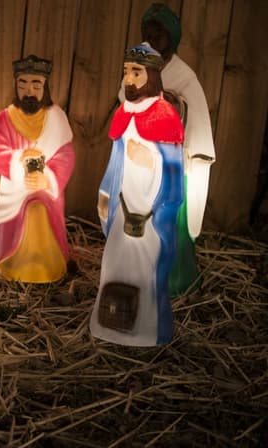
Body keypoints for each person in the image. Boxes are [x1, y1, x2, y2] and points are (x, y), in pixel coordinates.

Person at [118, 3, 216, 295]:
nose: (153, 38)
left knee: (169, 223)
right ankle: (135, 273)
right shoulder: (137, 66)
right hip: (140, 160)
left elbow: (196, 118)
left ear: (172, 38)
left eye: (159, 34)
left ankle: (171, 280)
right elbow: (125, 99)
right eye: (148, 32)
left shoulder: (185, 78)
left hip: (173, 162)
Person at [91, 44, 184, 346]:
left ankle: (145, 332)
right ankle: (108, 325)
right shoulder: (124, 114)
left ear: (152, 76)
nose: (129, 79)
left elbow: (173, 173)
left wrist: (151, 159)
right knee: (115, 265)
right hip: (122, 210)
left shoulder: (166, 117)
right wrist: (105, 196)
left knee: (145, 273)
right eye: (126, 72)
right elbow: (114, 164)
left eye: (136, 72)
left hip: (150, 215)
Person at [0, 55, 75, 283]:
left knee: (38, 209)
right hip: (15, 189)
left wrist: (48, 179)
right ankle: (11, 264)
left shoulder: (56, 118)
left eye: (36, 85)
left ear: (45, 87)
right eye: (22, 84)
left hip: (45, 188)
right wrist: (18, 162)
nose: (29, 92)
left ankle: (45, 265)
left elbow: (66, 155)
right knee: (25, 209)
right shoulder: (5, 118)